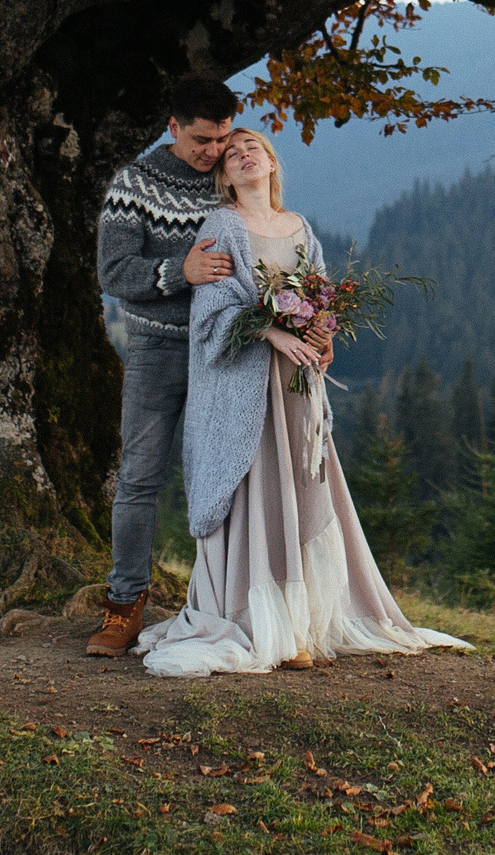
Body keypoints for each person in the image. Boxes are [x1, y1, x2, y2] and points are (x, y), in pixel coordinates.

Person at [134, 127, 467, 676]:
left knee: (303, 486)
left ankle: (306, 619)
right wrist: (271, 333)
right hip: (246, 385)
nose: (243, 158)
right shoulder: (222, 225)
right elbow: (212, 312)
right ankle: (266, 622)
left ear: (271, 164)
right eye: (233, 154)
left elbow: (316, 295)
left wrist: (321, 333)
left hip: (295, 385)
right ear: (224, 176)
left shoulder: (299, 228)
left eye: (253, 151)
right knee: (260, 487)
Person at [87, 75, 242, 659]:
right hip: (156, 350)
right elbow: (113, 272)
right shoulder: (136, 183)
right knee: (140, 476)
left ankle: (229, 606)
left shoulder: (230, 176)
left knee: (231, 478)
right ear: (173, 127)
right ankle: (124, 608)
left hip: (226, 351)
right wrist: (180, 272)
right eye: (203, 139)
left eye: (222, 138)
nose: (214, 151)